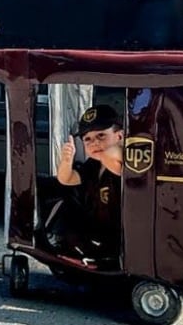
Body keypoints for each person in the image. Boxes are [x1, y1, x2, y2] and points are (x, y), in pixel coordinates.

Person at [47, 104, 124, 265]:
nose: (93, 142)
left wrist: (106, 149)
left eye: (101, 135)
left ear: (120, 136)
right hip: (96, 227)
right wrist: (67, 161)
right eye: (87, 139)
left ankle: (99, 259)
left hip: (120, 235)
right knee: (63, 200)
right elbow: (66, 179)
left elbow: (113, 155)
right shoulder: (94, 165)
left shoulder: (124, 160)